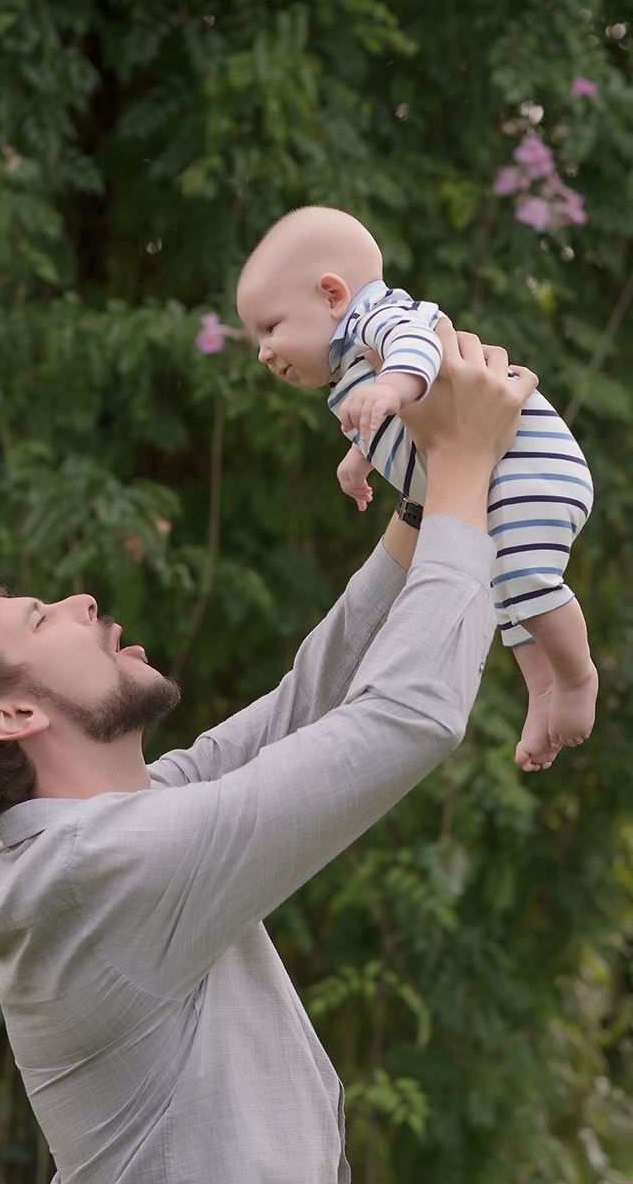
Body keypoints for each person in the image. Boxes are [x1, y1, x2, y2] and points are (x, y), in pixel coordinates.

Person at [0, 324, 536, 1184]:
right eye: (41, 619)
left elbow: (307, 707)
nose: (81, 600)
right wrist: (464, 468)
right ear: (13, 715)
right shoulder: (96, 874)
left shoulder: (97, 837)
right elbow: (403, 719)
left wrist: (421, 498)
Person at [236, 205, 598, 773]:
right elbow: (408, 420)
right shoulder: (351, 363)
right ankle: (544, 689)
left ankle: (577, 678)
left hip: (530, 467)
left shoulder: (376, 317)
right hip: (500, 473)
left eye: (270, 327)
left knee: (525, 577)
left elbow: (419, 351)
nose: (263, 351)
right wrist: (361, 455)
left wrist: (389, 391)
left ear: (332, 295)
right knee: (504, 590)